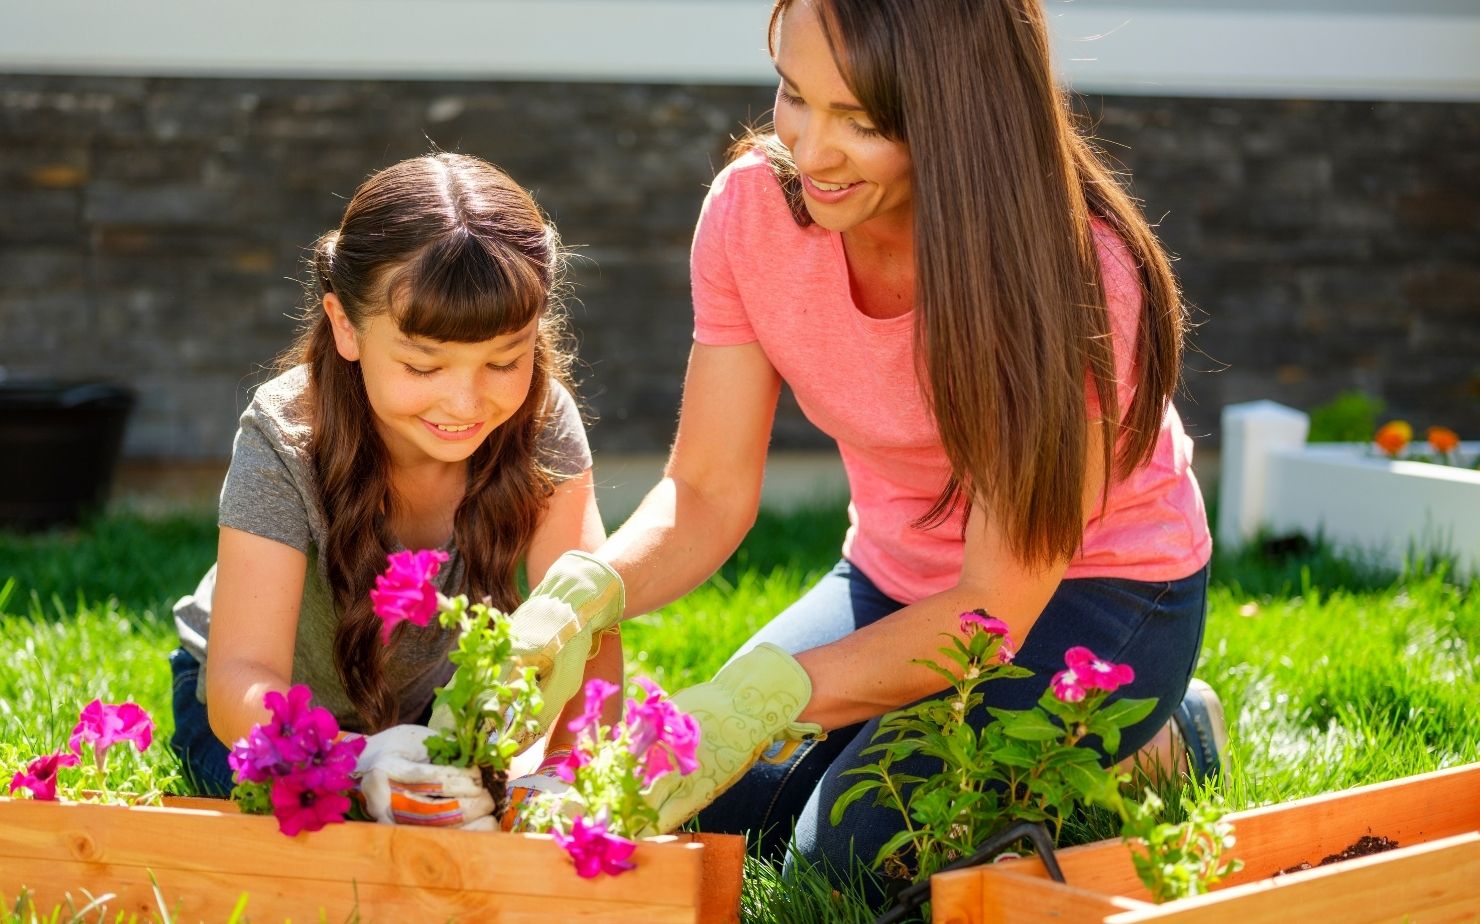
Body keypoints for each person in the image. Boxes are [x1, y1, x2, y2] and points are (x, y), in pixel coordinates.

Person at [503, 0, 1222, 882]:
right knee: (714, 823)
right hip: (893, 576)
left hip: (1095, 596)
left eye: (862, 122)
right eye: (793, 94)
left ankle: (1165, 736)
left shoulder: (1070, 276)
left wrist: (762, 699)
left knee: (838, 857)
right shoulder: (753, 215)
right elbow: (706, 490)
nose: (809, 152)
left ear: (960, 119)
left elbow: (988, 611)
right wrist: (593, 589)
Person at [167, 153, 620, 827]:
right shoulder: (285, 434)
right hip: (255, 725)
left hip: (430, 722)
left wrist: (561, 780)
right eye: (422, 363)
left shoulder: (541, 419)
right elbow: (240, 683)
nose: (465, 401)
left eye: (504, 360)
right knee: (340, 835)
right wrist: (356, 762)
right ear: (346, 327)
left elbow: (592, 640)